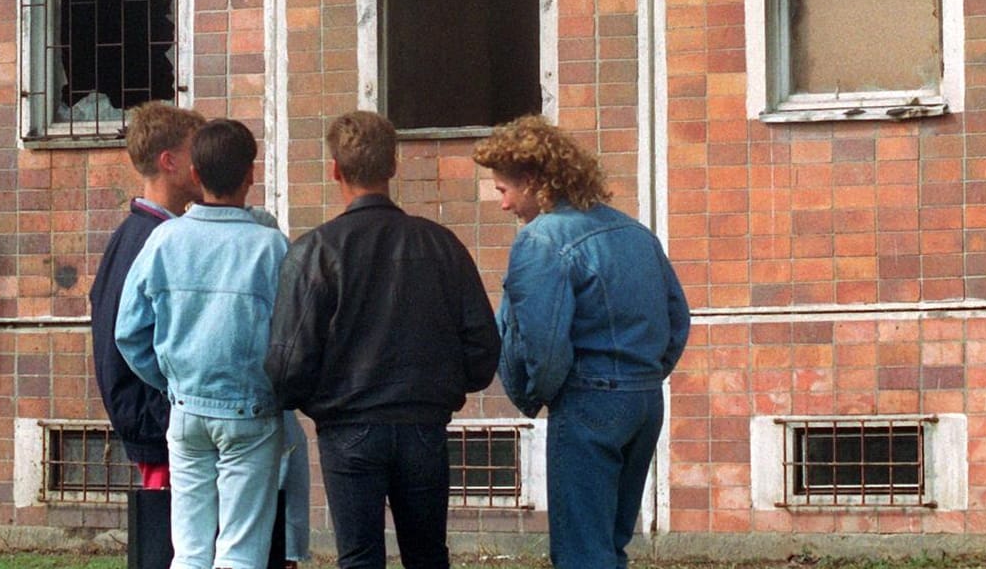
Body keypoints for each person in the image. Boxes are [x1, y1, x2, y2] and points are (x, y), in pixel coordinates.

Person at [265, 110, 500, 569]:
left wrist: (312, 400)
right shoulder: (441, 244)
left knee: (358, 558)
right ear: (394, 165)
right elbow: (482, 348)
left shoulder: (315, 251)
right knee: (429, 555)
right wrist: (444, 388)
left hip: (347, 426)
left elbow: (288, 364)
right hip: (423, 424)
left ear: (334, 169)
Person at [472, 115, 690, 569]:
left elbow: (544, 345)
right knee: (610, 545)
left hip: (589, 401)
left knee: (580, 553)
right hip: (645, 399)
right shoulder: (634, 231)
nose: (502, 204)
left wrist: (539, 394)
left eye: (503, 190)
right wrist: (643, 376)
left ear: (531, 182)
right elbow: (676, 318)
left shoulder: (541, 240)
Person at [117, 118, 289, 569]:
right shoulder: (272, 247)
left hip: (186, 408)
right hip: (250, 409)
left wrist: (171, 381)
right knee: (241, 550)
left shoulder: (163, 239)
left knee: (189, 550)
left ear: (194, 175)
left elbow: (128, 333)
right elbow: (294, 336)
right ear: (251, 174)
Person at [90, 102, 205, 490]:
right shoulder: (153, 240)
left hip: (155, 425)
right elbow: (126, 339)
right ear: (169, 161)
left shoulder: (135, 234)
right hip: (160, 430)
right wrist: (170, 410)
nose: (204, 163)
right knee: (175, 545)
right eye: (196, 152)